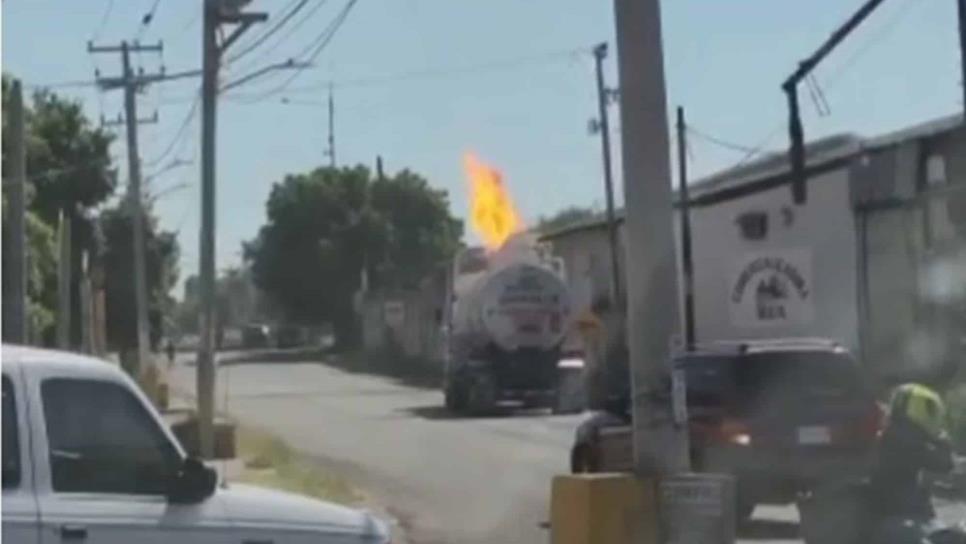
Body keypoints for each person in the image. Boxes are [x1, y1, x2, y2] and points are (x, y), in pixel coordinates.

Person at [869, 383, 954, 525]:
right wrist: (941, 440)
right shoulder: (908, 441)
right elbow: (945, 464)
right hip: (903, 511)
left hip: (879, 508)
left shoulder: (889, 431)